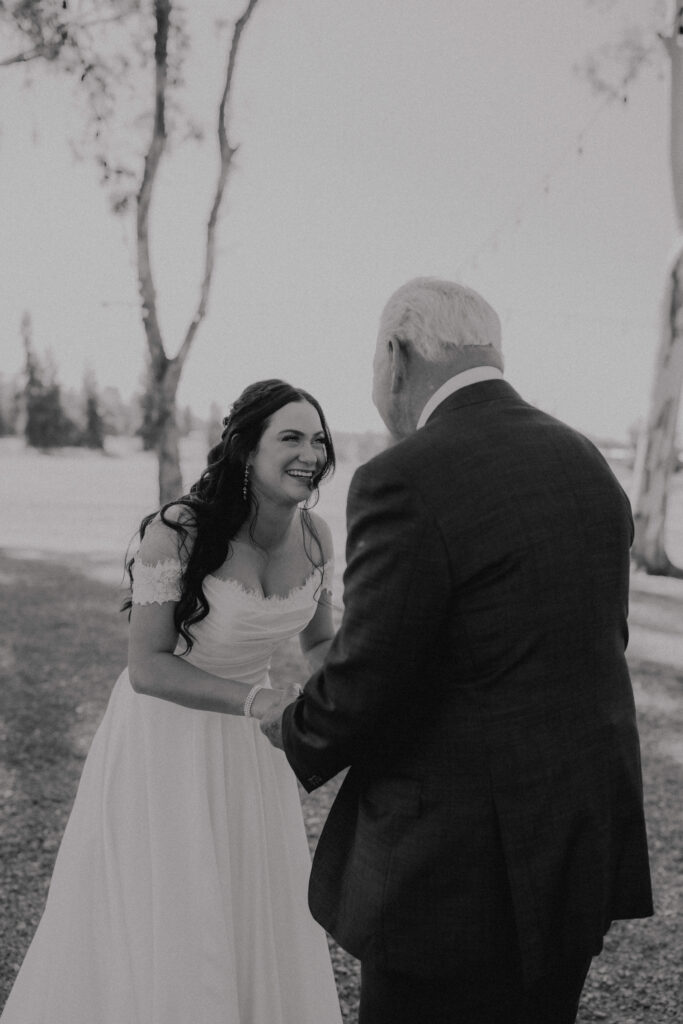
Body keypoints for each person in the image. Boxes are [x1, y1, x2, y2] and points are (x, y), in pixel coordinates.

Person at [260, 278, 654, 1024]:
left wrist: (275, 743)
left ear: (395, 355)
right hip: (575, 838)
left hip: (453, 871)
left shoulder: (404, 477)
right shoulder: (587, 463)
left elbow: (366, 680)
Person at [1, 379, 343, 1024]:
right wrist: (256, 701)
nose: (311, 452)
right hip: (165, 739)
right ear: (246, 449)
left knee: (250, 902)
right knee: (174, 909)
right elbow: (147, 667)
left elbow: (320, 643)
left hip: (253, 747)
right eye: (290, 437)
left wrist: (358, 690)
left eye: (318, 439)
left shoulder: (317, 536)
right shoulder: (180, 531)